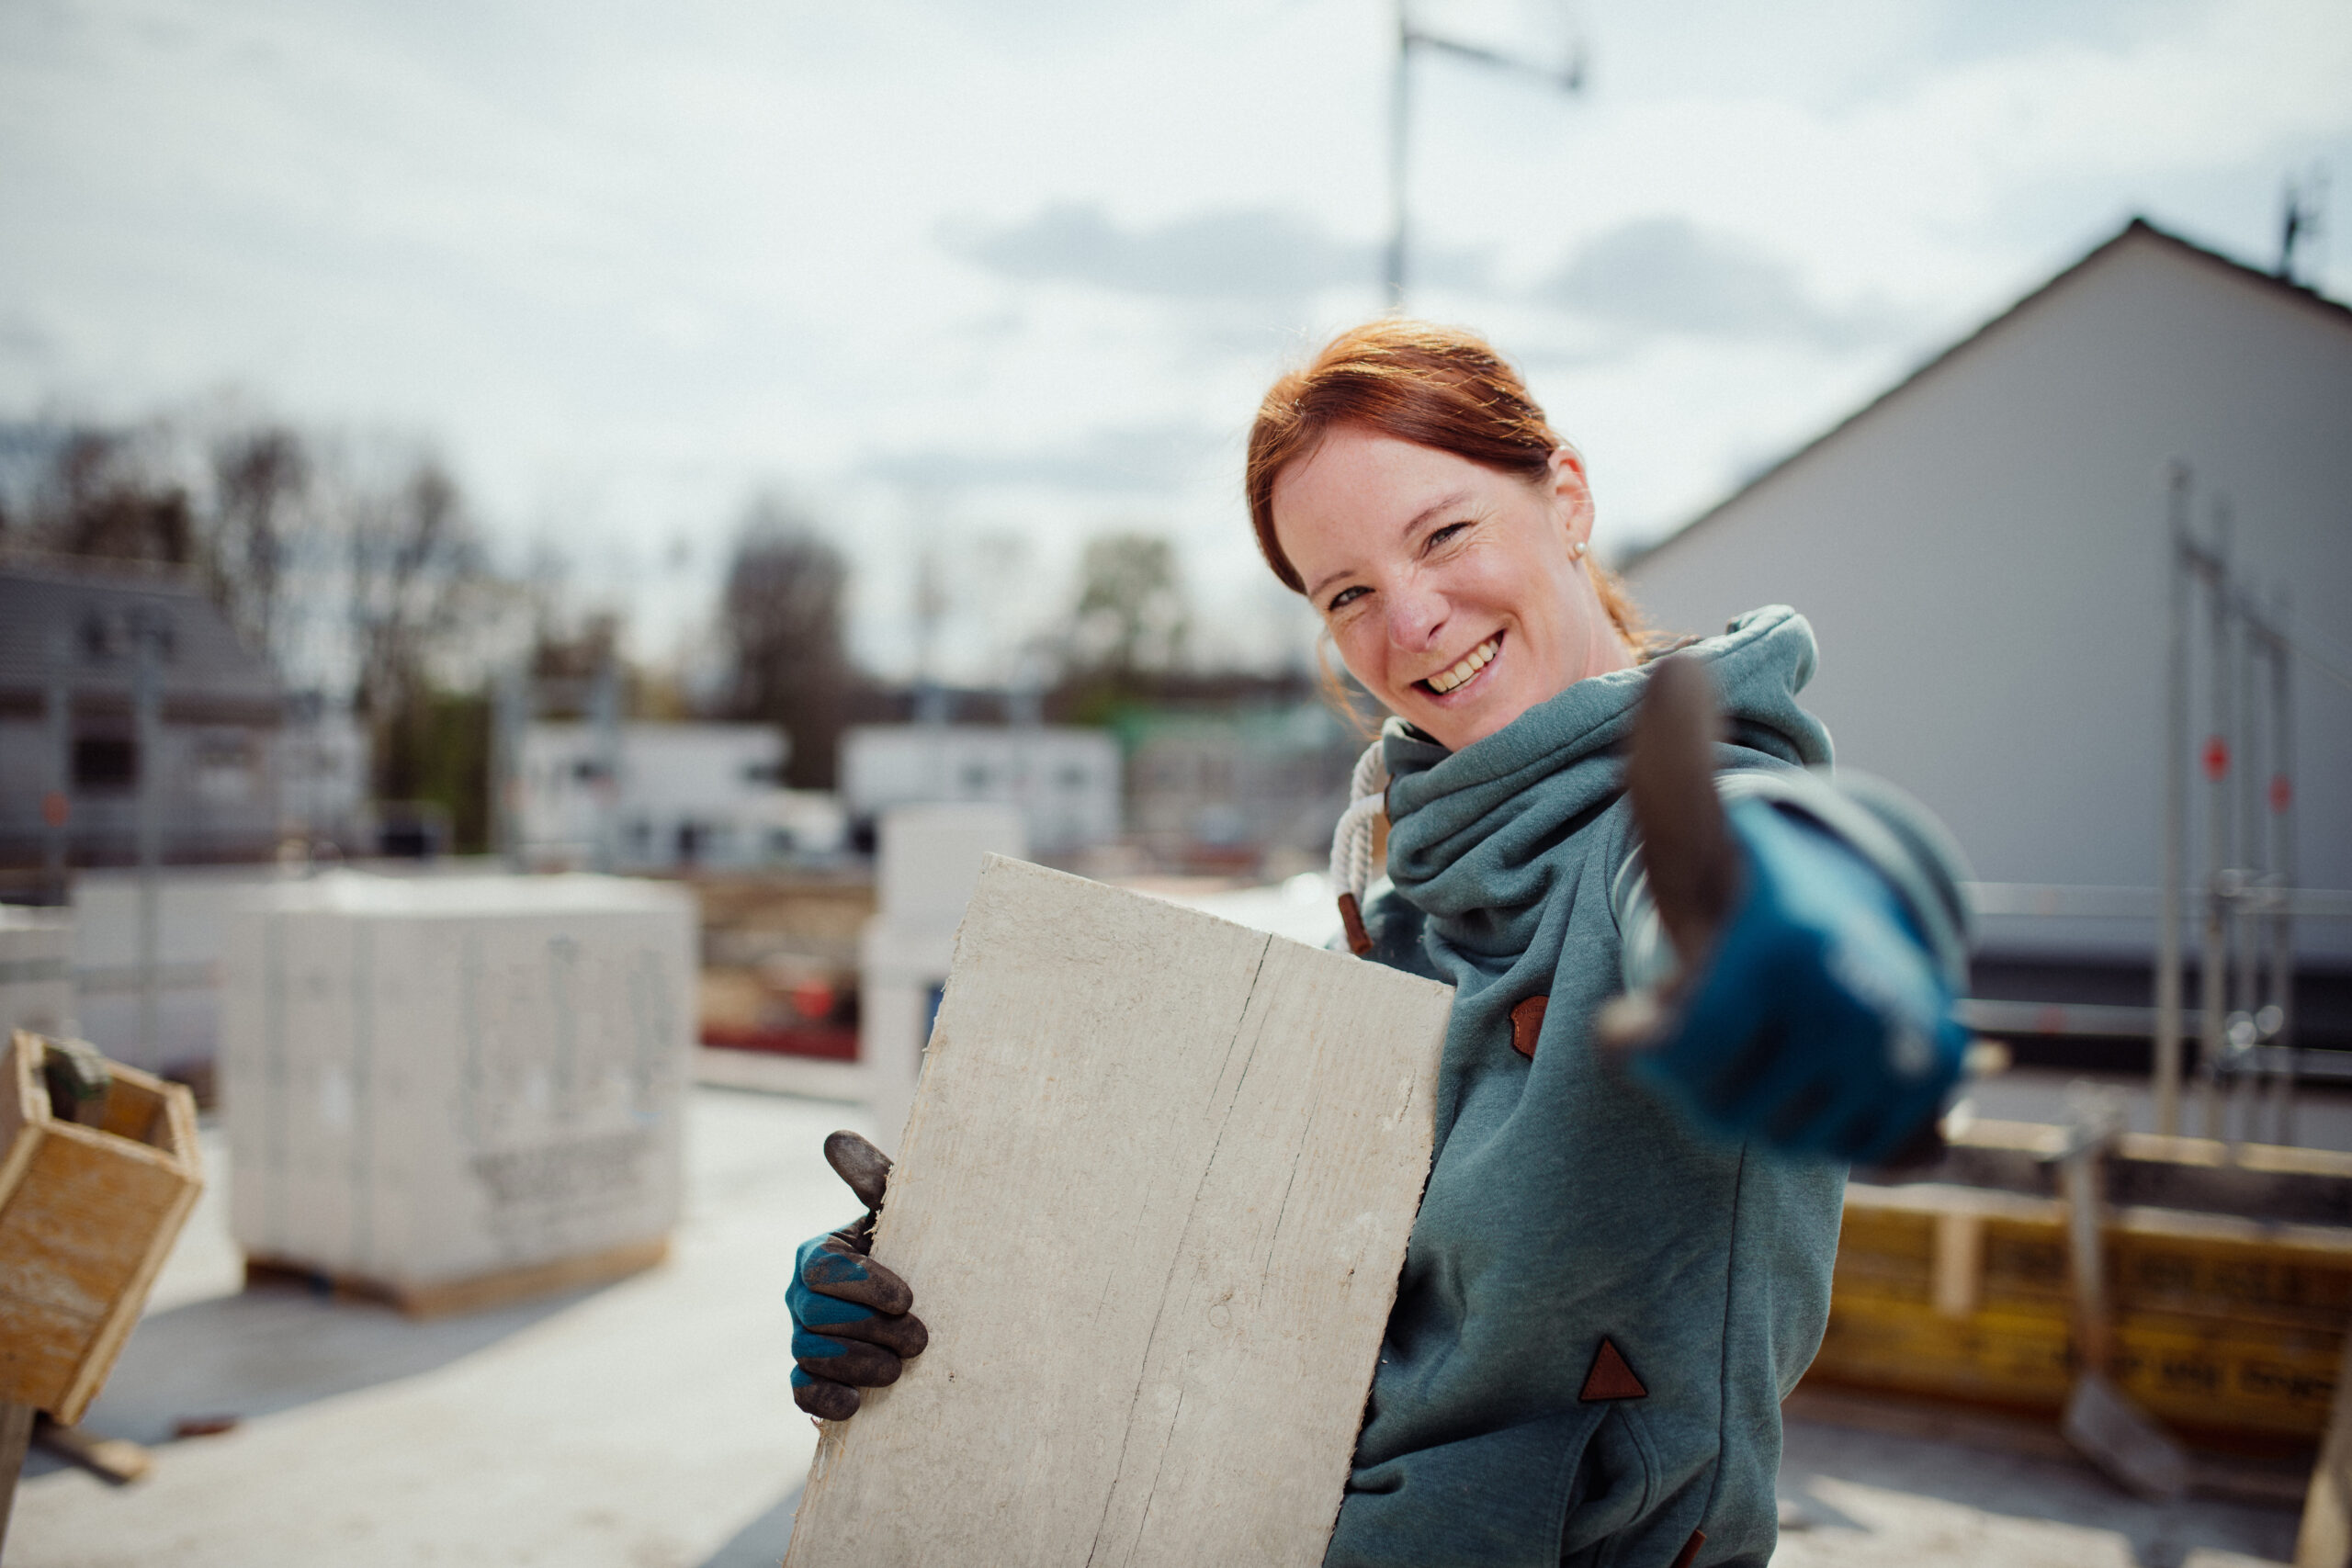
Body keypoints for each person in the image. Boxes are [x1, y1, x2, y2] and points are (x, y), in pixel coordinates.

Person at [786, 320, 1976, 1568]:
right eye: (1346, 592)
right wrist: (945, 1263)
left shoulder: (1669, 821)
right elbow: (1251, 1273)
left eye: (1444, 532)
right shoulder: (1403, 892)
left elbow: (1724, 870)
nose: (1410, 618)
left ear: (1564, 497)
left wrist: (1800, 946)